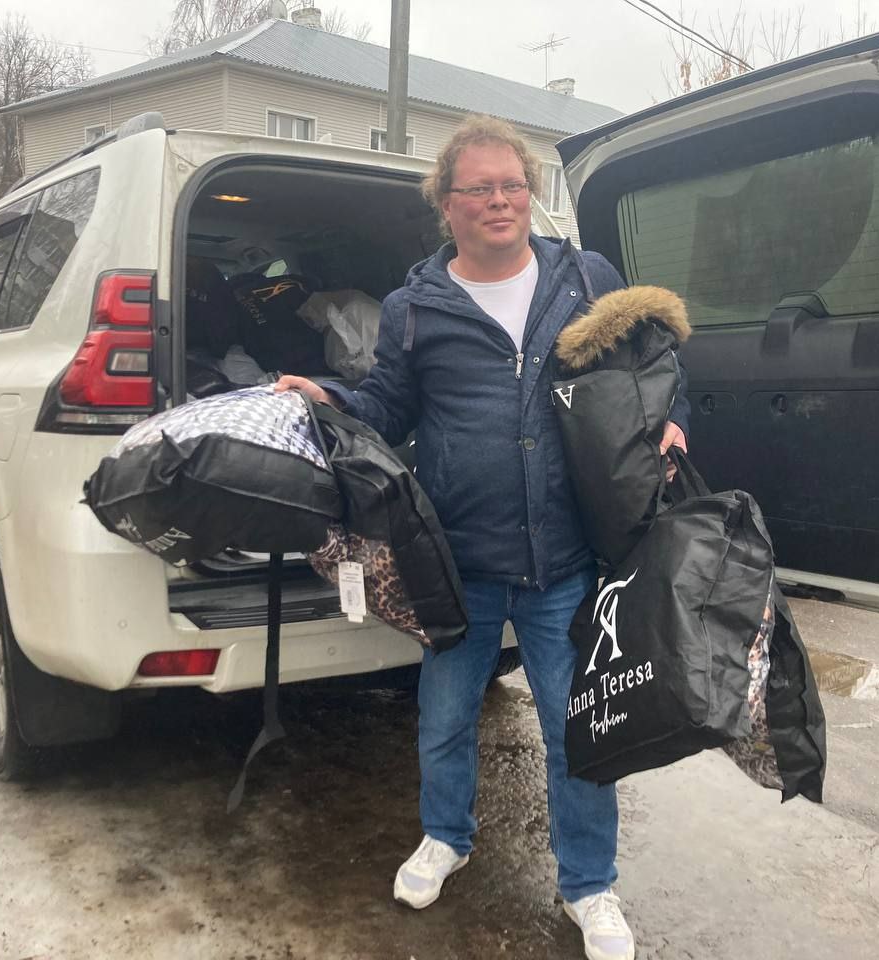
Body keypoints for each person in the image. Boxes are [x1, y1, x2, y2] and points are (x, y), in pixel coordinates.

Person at [276, 115, 689, 960]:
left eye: (512, 186)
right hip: (459, 561)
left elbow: (657, 366)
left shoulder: (585, 279)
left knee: (578, 728)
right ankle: (445, 836)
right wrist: (329, 397)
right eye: (480, 189)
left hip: (564, 560)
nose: (500, 201)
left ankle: (589, 884)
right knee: (444, 719)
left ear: (528, 194)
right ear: (447, 203)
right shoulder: (414, 309)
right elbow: (388, 404)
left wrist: (675, 420)